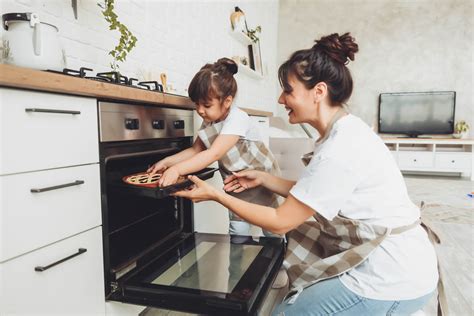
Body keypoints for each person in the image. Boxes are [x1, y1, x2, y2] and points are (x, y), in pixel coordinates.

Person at [173, 33, 441, 315]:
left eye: (287, 90)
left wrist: (215, 195)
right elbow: (314, 189)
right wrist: (264, 178)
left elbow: (279, 222)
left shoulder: (340, 149)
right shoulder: (342, 132)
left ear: (319, 91)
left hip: (390, 275)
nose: (280, 98)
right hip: (398, 263)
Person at [147, 57, 281, 242]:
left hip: (260, 181)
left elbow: (213, 154)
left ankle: (275, 259)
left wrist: (176, 170)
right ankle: (239, 265)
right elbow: (196, 151)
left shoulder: (237, 118)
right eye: (197, 104)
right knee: (238, 230)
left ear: (227, 101)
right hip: (236, 184)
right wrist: (167, 162)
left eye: (206, 105)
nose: (200, 110)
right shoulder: (210, 120)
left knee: (271, 228)